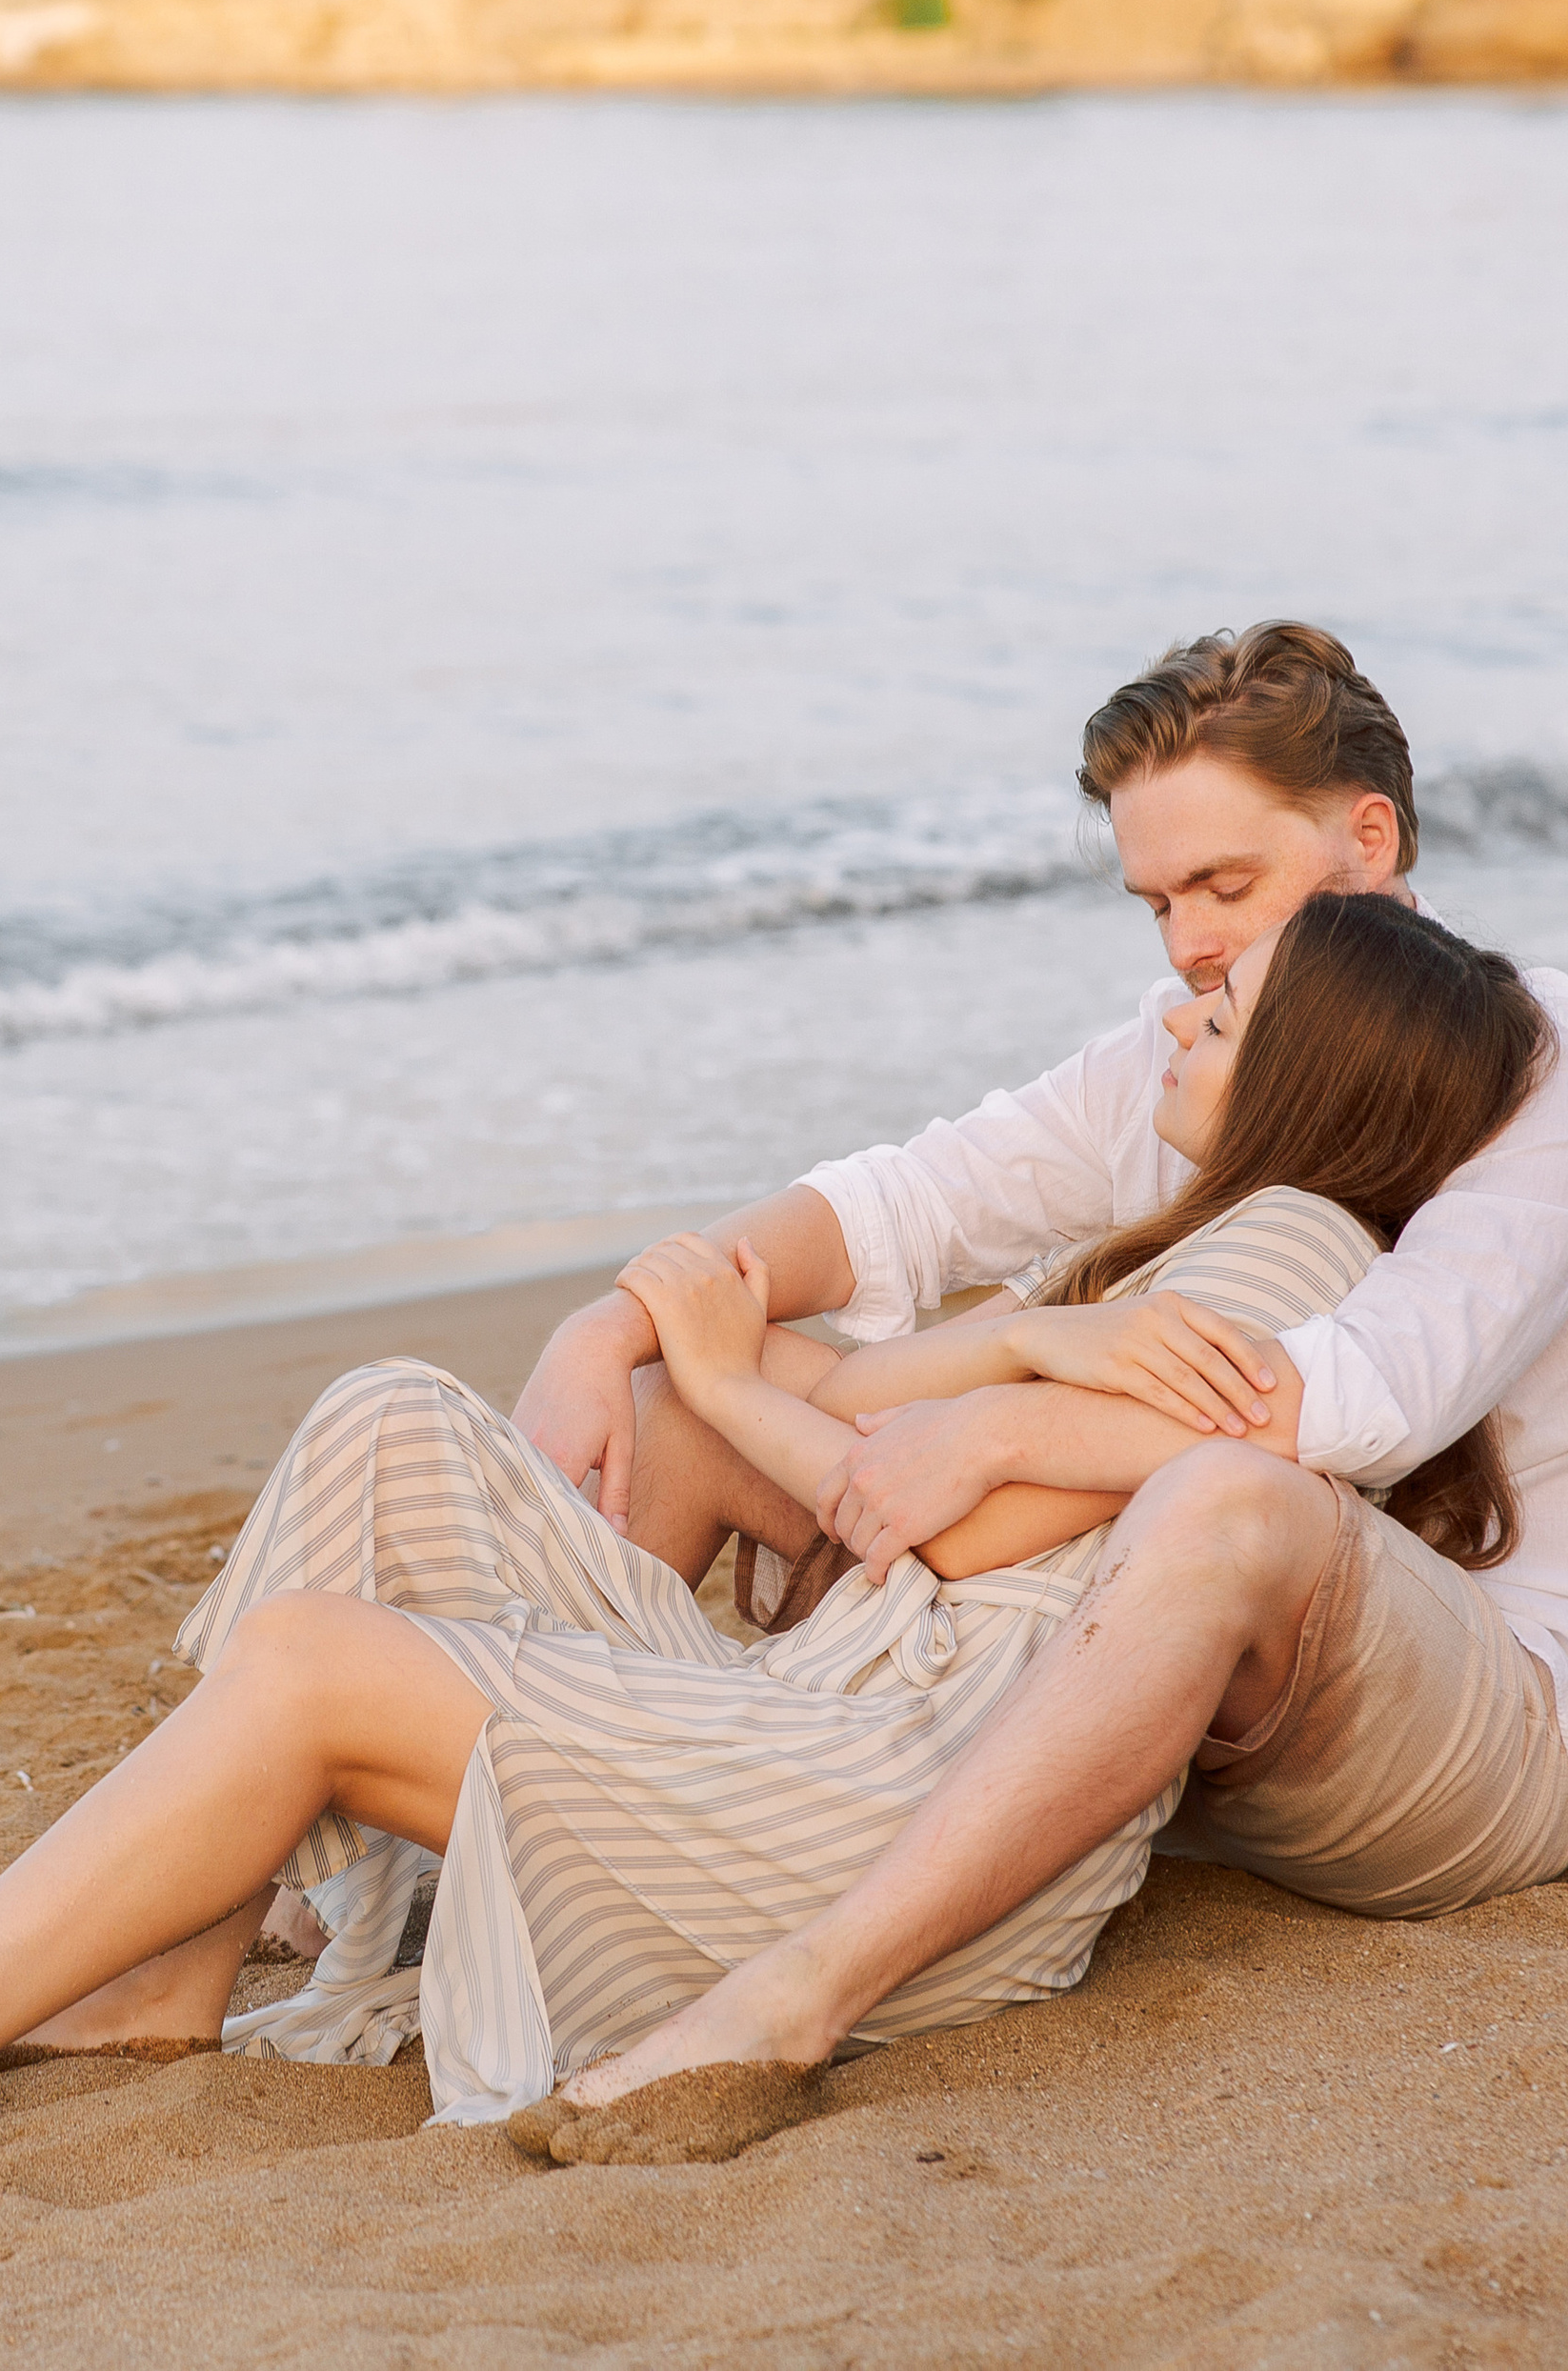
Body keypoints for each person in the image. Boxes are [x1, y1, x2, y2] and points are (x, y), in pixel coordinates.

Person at [0, 885, 1548, 2185]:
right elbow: (884, 1424)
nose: (1168, 1016)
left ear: (1312, 1073)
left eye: (1216, 1007)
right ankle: (171, 1965)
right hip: (831, 1715)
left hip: (889, 1790)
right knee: (389, 1419)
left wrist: (784, 1379)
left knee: (311, 1666)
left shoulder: (1285, 1254)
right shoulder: (1183, 1256)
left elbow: (906, 1493)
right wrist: (964, 1341)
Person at [514, 621, 1568, 2116]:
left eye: (1226, 885)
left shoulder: (1536, 1061)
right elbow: (910, 1200)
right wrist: (613, 1324)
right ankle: (511, 1833)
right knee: (680, 1407)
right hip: (1203, 1688)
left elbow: (1365, 1401)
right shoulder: (1193, 1042)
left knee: (1225, 1495)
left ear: (1367, 836)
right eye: (1156, 903)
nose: (1188, 943)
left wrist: (1005, 1431)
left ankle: (803, 1989)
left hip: (1478, 1710)